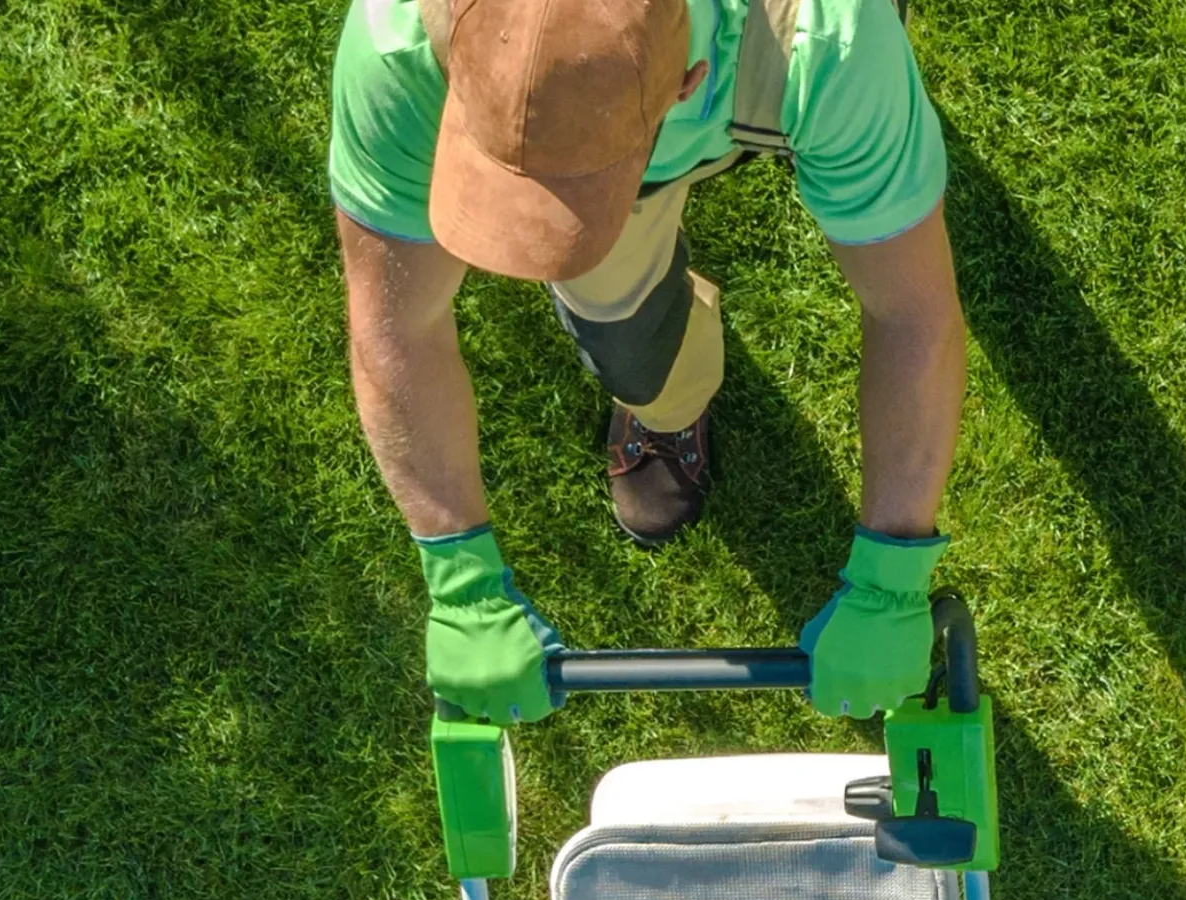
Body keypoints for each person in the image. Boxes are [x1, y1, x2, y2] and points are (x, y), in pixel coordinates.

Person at [328, 0, 966, 725]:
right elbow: (395, 326)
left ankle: (868, 132)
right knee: (630, 347)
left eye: (567, 181)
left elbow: (912, 312)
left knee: (861, 118)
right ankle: (665, 403)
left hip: (781, 61)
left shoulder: (832, 39)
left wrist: (893, 575)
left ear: (687, 82)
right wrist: (458, 575)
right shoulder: (397, 46)